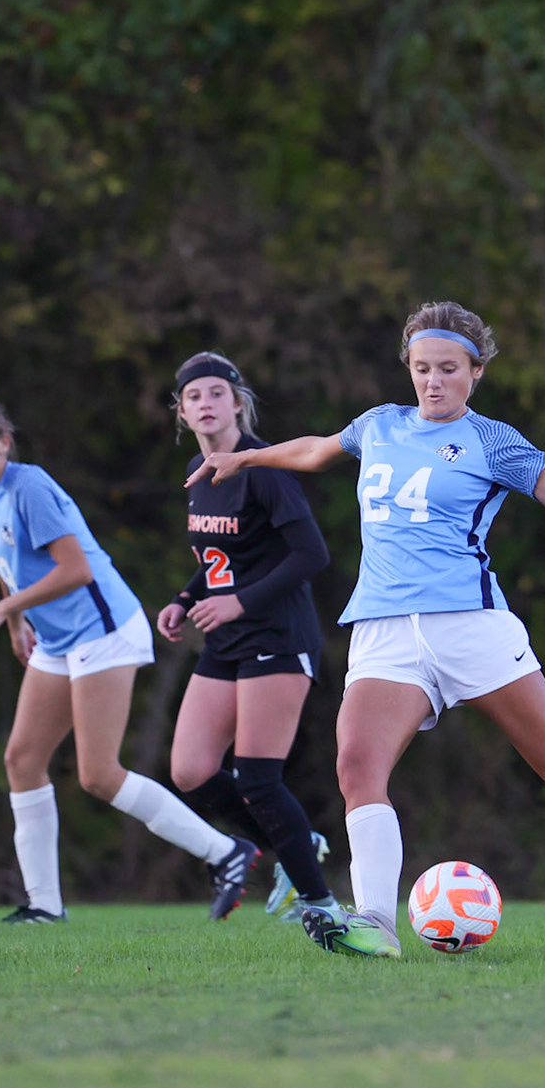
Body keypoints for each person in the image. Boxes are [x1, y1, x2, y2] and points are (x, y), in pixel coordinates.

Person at [187, 301, 545, 958]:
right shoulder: (379, 426)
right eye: (421, 368)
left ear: (477, 371)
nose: (433, 381)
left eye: (448, 369)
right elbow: (317, 451)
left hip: (473, 628)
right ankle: (376, 924)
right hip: (384, 630)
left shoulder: (495, 442)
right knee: (357, 764)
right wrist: (249, 462)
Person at [0, 397, 256, 924]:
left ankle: (226, 852)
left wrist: (0, 612)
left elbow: (76, 571)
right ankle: (44, 906)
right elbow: (6, 562)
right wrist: (19, 624)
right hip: (58, 639)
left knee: (99, 775)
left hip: (104, 629)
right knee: (21, 761)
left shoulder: (29, 485)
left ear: (3, 442)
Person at [157, 352, 340, 923]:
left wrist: (236, 601)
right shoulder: (198, 470)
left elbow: (312, 554)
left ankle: (321, 904)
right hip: (226, 641)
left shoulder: (263, 469)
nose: (205, 404)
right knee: (189, 769)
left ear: (237, 402)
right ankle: (295, 842)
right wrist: (185, 598)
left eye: (217, 393)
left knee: (259, 779)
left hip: (278, 637)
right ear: (182, 411)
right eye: (194, 396)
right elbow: (222, 555)